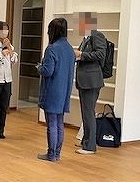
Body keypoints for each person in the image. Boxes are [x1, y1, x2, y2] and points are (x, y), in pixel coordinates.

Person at [36, 18, 75, 162]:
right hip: (64, 91)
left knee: (51, 123)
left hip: (52, 91)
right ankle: (57, 153)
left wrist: (39, 67)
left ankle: (51, 154)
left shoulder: (52, 49)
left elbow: (48, 71)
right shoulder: (70, 49)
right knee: (59, 123)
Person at [74, 12, 107, 155]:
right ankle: (86, 141)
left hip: (91, 81)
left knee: (88, 113)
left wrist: (81, 55)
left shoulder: (97, 35)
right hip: (84, 80)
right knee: (86, 112)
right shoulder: (85, 39)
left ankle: (90, 146)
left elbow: (100, 54)